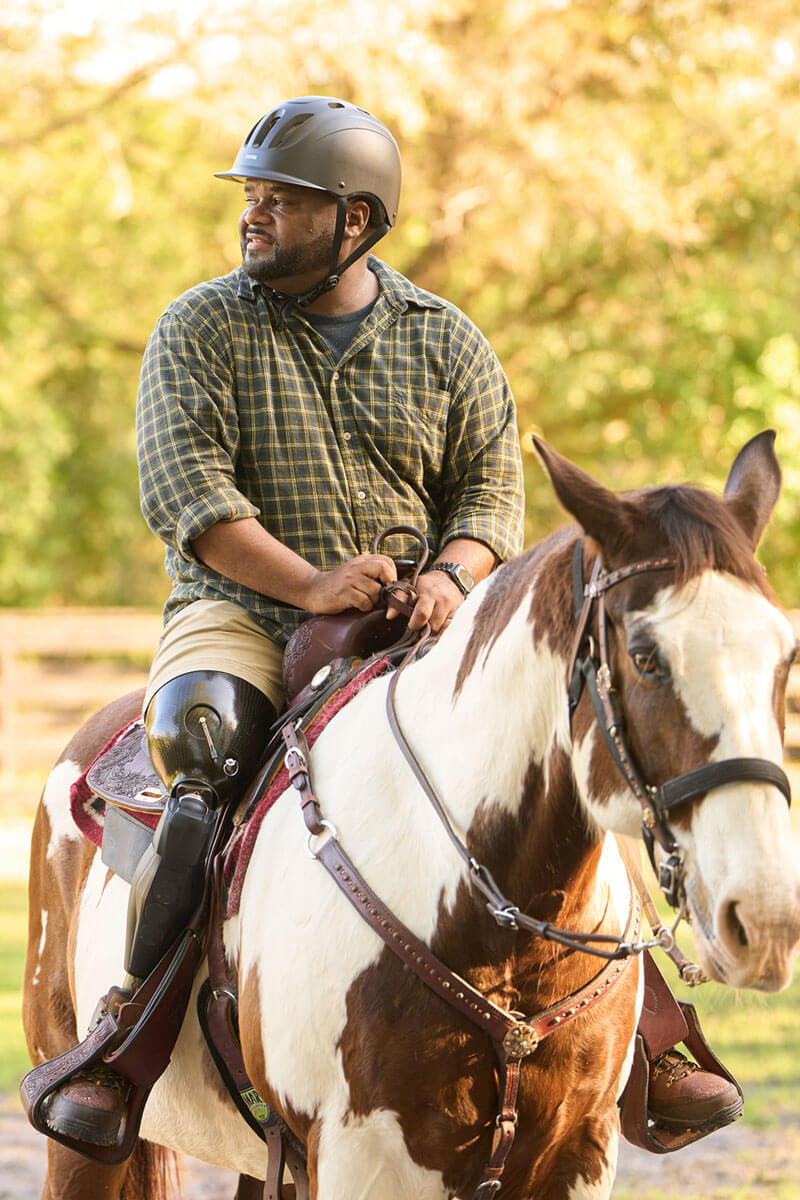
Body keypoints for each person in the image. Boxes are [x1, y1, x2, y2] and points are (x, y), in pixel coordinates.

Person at [41, 95, 739, 1151]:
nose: (254, 214)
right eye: (253, 197)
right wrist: (311, 586)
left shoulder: (447, 342)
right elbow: (190, 499)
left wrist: (454, 580)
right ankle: (124, 1041)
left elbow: (486, 502)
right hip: (237, 616)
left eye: (283, 200)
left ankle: (654, 1038)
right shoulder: (199, 327)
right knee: (203, 747)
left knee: (563, 751)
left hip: (423, 626)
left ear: (355, 221)